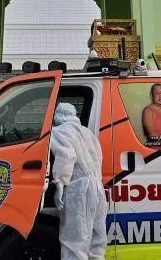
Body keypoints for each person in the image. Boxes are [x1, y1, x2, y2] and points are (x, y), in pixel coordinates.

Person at [49, 103, 107, 260]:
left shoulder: (61, 131)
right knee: (96, 241)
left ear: (60, 115)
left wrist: (59, 184)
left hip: (79, 188)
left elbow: (66, 156)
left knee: (74, 241)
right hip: (97, 187)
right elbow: (98, 159)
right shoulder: (88, 133)